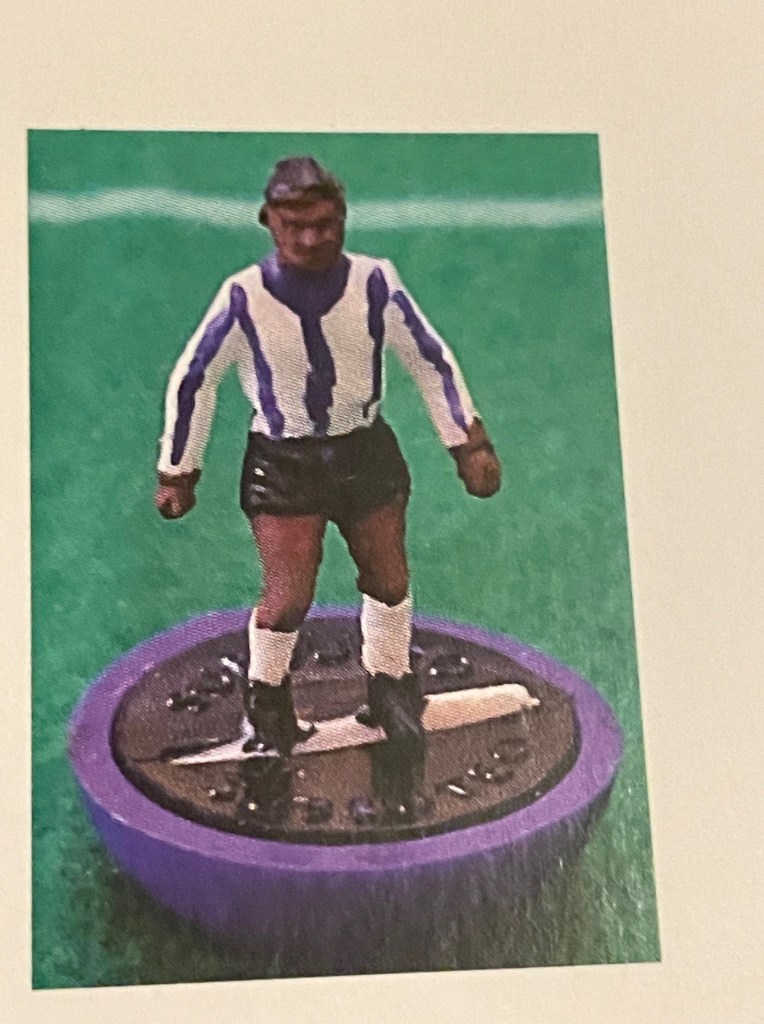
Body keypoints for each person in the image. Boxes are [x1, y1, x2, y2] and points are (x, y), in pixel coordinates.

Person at [155, 156, 501, 759]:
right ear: (269, 222)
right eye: (295, 225)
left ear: (342, 218)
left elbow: (430, 359)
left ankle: (391, 687)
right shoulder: (243, 296)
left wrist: (467, 443)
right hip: (284, 462)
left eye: (324, 223)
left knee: (388, 578)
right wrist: (178, 470)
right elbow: (195, 379)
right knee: (287, 596)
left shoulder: (375, 282)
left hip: (364, 451)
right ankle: (268, 702)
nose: (312, 238)